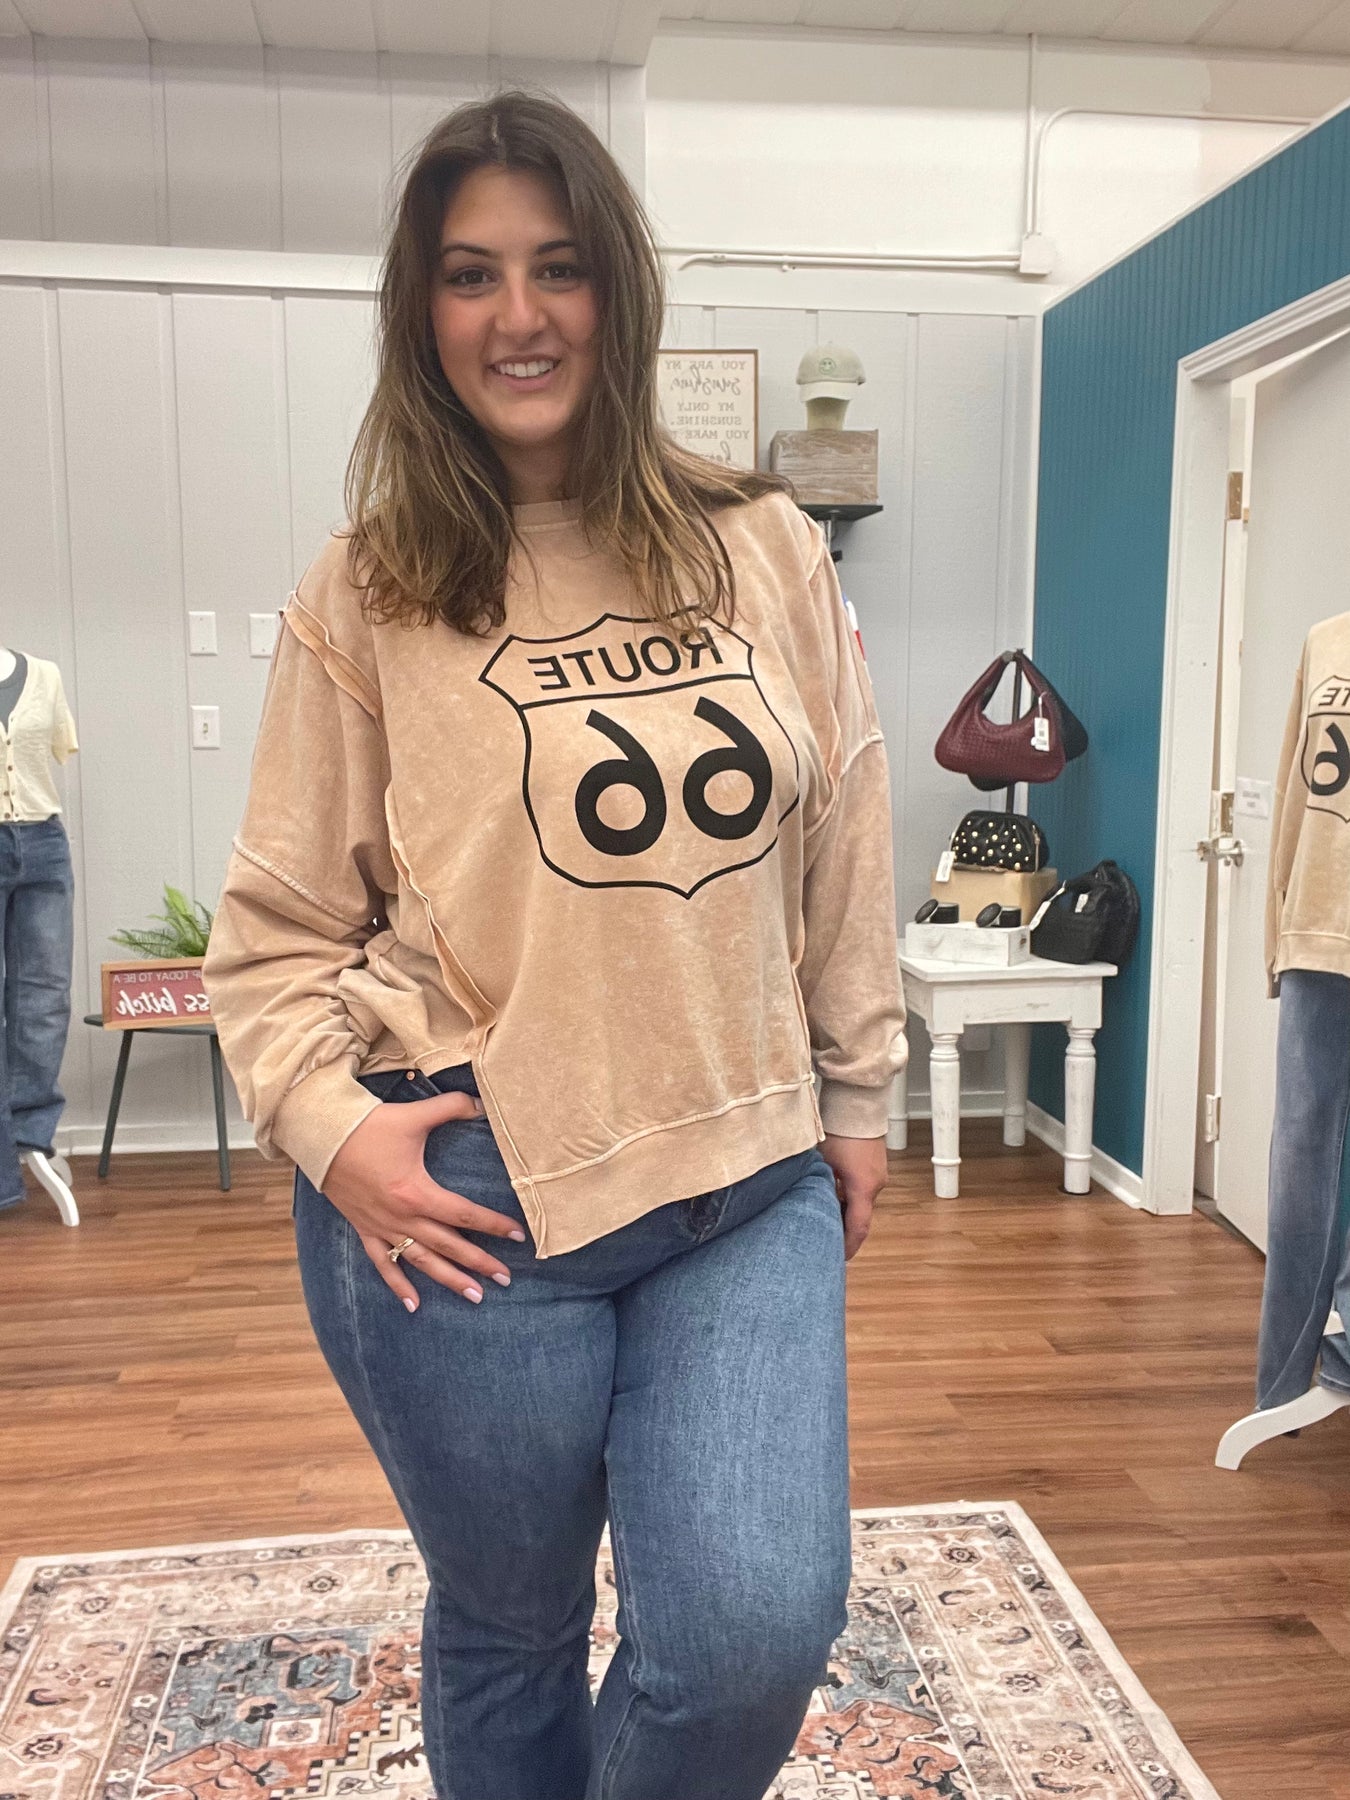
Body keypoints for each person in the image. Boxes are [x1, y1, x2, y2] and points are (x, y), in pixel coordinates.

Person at [202, 89, 906, 1800]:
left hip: (746, 1180)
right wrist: (333, 1131)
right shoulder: (371, 588)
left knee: (748, 1636)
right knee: (511, 1623)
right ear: (421, 309)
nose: (518, 316)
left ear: (619, 292)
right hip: (473, 1201)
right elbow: (272, 937)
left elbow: (844, 824)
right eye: (470, 275)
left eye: (559, 266)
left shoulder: (759, 544)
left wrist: (859, 1093)